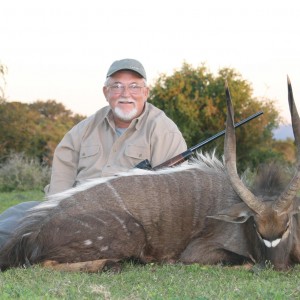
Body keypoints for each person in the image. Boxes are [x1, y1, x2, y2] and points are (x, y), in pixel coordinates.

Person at [0, 58, 187, 248]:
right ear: (106, 92)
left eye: (134, 87)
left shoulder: (164, 131)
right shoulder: (83, 129)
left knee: (27, 239)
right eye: (117, 86)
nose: (125, 94)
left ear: (146, 92)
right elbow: (61, 180)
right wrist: (56, 214)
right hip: (72, 210)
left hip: (122, 221)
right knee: (18, 213)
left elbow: (172, 199)